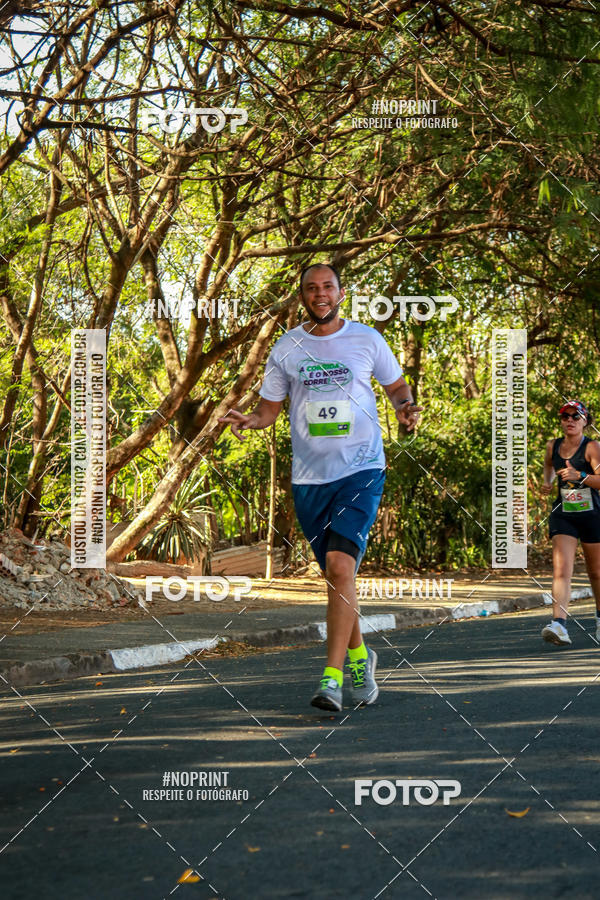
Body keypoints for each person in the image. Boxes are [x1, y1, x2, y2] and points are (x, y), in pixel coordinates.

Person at [219, 262, 421, 710]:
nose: (320, 294)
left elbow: (396, 386)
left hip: (362, 468)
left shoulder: (367, 338)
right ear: (303, 297)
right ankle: (359, 657)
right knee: (337, 579)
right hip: (310, 478)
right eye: (311, 289)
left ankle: (331, 680)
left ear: (341, 292)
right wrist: (252, 422)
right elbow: (268, 410)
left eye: (327, 286)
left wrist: (405, 408)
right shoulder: (288, 347)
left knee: (339, 567)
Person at [540, 399, 600, 646]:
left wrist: (581, 476)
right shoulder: (552, 445)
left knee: (596, 572)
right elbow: (548, 466)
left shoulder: (592, 447)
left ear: (585, 421)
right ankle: (559, 625)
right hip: (564, 513)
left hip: (592, 515)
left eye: (576, 416)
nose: (570, 421)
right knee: (561, 570)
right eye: (566, 416)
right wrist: (547, 482)